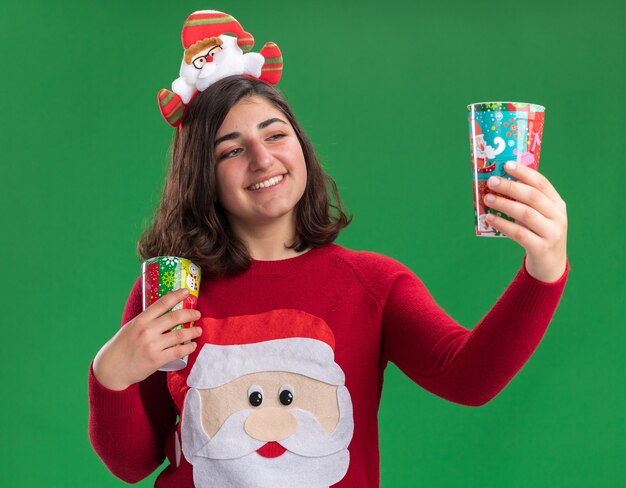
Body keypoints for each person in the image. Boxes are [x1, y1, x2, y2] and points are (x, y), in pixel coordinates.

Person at [89, 75, 569, 487]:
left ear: (301, 146)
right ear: (201, 177)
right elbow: (134, 463)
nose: (262, 159)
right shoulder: (172, 291)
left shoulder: (372, 283)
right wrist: (110, 375)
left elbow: (468, 378)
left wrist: (544, 270)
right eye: (232, 150)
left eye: (275, 135)